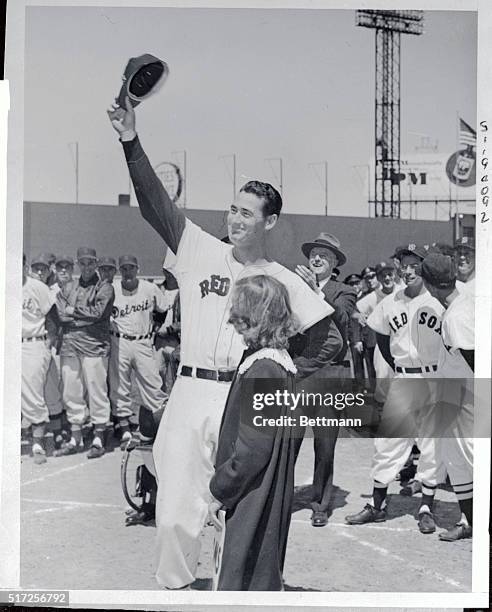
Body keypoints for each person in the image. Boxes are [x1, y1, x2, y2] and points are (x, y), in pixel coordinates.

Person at [107, 97, 336, 589]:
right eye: (232, 209)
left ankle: (229, 592)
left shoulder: (283, 279)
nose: (235, 220)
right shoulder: (197, 247)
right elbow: (154, 203)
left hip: (242, 392)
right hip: (191, 390)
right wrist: (131, 141)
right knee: (173, 514)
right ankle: (176, 590)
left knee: (241, 509)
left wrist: (281, 374)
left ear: (269, 222)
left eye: (247, 214)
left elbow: (329, 341)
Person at [345, 244, 444, 534]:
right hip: (405, 378)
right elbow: (384, 343)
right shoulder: (390, 302)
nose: (408, 270)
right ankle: (377, 504)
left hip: (435, 378)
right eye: (404, 264)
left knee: (431, 445)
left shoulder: (438, 300)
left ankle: (426, 505)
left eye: (415, 264)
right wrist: (403, 368)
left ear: (424, 267)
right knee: (388, 442)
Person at [208, 275, 298, 590]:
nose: (233, 318)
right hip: (260, 488)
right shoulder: (272, 361)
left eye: (241, 310)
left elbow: (252, 451)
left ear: (259, 316)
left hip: (250, 492)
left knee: (239, 576)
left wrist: (220, 489)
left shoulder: (265, 369)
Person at [294, 233, 356, 527]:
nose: (316, 259)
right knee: (287, 440)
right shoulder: (295, 285)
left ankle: (320, 503)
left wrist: (314, 292)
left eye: (324, 256)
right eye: (314, 254)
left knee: (325, 445)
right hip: (298, 373)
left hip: (329, 376)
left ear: (334, 264)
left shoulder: (343, 290)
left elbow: (342, 318)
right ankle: (280, 498)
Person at [421, 253, 474, 541]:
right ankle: (468, 520)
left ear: (430, 286)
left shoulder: (456, 315)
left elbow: (475, 359)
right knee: (454, 458)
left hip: (468, 394)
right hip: (453, 390)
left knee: (472, 456)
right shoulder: (462, 297)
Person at [54, 247, 114, 459]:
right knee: (71, 391)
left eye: (90, 263)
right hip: (69, 345)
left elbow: (99, 313)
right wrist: (81, 317)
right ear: (78, 264)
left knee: (97, 390)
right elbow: (62, 314)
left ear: (96, 264)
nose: (87, 267)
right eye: (83, 263)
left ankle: (99, 436)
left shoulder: (104, 286)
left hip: (94, 346)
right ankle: (76, 437)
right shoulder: (68, 286)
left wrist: (75, 313)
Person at [108, 254, 171, 449]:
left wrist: (155, 327)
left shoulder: (149, 288)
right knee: (120, 386)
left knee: (153, 383)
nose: (128, 272)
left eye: (131, 268)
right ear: (120, 271)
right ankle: (125, 429)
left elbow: (163, 309)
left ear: (138, 269)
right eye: (124, 268)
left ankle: (162, 426)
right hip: (119, 341)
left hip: (143, 341)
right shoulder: (112, 289)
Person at [22, 254, 56, 464]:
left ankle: (37, 443)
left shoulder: (37, 287)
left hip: (33, 343)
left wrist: (49, 342)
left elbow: (53, 317)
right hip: (8, 343)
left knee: (33, 393)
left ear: (24, 265)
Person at [31, 253, 67, 453]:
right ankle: (30, 432)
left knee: (52, 389)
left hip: (47, 343)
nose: (39, 272)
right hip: (28, 345)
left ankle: (57, 431)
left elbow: (55, 320)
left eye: (43, 268)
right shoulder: (23, 288)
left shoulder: (51, 290)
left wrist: (52, 342)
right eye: (36, 268)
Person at [351, 266, 378, 394]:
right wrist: (358, 339)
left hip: (379, 337)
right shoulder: (359, 299)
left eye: (373, 276)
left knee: (377, 366)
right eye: (367, 278)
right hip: (366, 338)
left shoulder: (372, 296)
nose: (370, 280)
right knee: (365, 366)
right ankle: (367, 391)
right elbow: (355, 322)